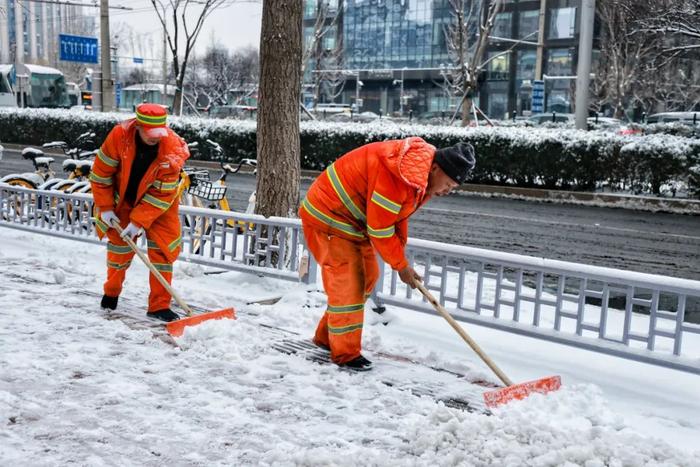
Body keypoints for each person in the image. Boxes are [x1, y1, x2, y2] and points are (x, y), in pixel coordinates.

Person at [299, 138, 476, 370]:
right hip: (329, 217)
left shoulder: (417, 175)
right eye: (448, 184)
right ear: (436, 168)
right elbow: (380, 228)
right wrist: (400, 266)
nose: (447, 191)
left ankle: (327, 337)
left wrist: (400, 257)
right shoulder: (400, 173)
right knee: (350, 284)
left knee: (368, 277)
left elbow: (396, 217)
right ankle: (346, 354)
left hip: (352, 223)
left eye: (453, 188)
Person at [89, 103, 190, 322]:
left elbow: (161, 194)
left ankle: (159, 306)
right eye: (150, 134)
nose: (156, 138)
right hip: (124, 199)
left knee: (163, 253)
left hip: (159, 206)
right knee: (118, 250)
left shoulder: (171, 149)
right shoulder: (119, 137)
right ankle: (111, 293)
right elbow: (100, 174)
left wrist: (138, 222)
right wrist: (105, 207)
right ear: (138, 127)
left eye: (159, 133)